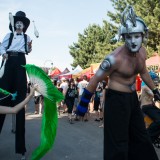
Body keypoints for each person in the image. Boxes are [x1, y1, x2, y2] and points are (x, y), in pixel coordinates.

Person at [76, 6, 160, 160]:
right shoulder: (114, 59)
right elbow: (94, 80)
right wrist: (82, 106)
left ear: (143, 35)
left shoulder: (142, 53)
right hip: (116, 101)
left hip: (133, 99)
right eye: (129, 37)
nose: (133, 41)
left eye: (136, 36)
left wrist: (155, 91)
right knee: (117, 144)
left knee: (141, 138)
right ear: (123, 37)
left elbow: (144, 72)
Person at [0, 11, 32, 160]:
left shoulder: (27, 37)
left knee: (20, 106)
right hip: (8, 63)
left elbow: (27, 50)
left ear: (24, 26)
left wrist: (30, 47)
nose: (19, 24)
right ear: (15, 24)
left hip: (20, 63)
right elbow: (2, 47)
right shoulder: (9, 35)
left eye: (22, 23)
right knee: (2, 99)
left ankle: (21, 150)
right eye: (17, 22)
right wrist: (3, 53)